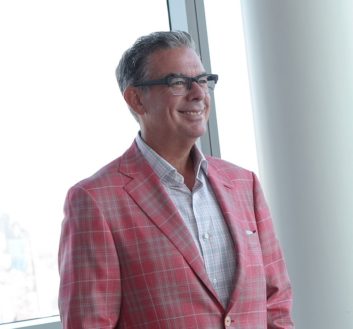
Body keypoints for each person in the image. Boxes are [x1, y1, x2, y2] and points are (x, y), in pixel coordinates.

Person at [58, 31, 294, 329]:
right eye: (178, 83)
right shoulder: (95, 201)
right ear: (136, 98)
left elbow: (276, 304)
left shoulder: (244, 184)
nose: (198, 94)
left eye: (203, 80)